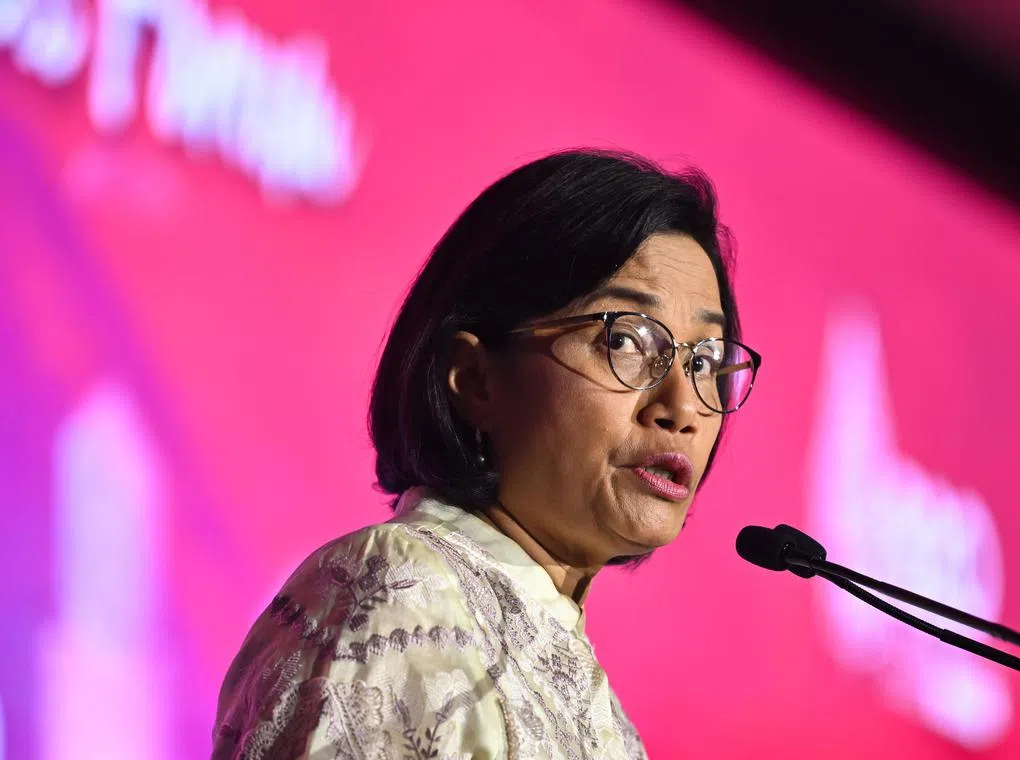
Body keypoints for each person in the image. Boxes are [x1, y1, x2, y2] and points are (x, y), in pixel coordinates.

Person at [211, 149, 761, 759]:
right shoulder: (401, 591)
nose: (683, 406)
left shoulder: (601, 708)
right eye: (626, 339)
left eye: (707, 361)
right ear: (474, 377)